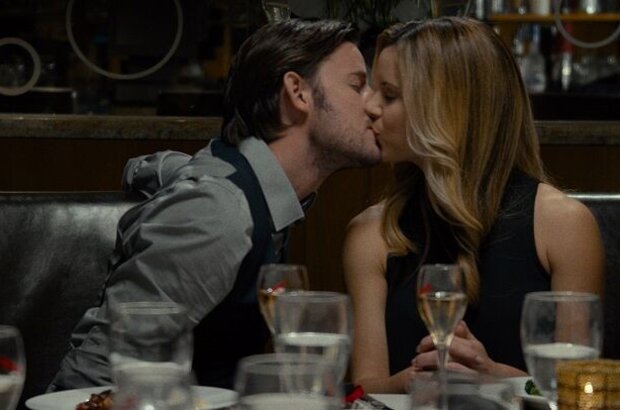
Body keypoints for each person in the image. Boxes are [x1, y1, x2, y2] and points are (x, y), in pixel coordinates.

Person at [49, 18, 381, 391]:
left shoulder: (254, 190)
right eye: (358, 85)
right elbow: (93, 378)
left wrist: (168, 172)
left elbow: (154, 167)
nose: (375, 106)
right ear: (298, 93)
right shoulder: (219, 214)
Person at [342, 17, 605, 394]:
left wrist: (493, 376)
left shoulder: (563, 225)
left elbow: (579, 389)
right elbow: (363, 389)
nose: (369, 106)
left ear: (448, 108)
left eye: (390, 94)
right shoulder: (373, 233)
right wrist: (413, 381)